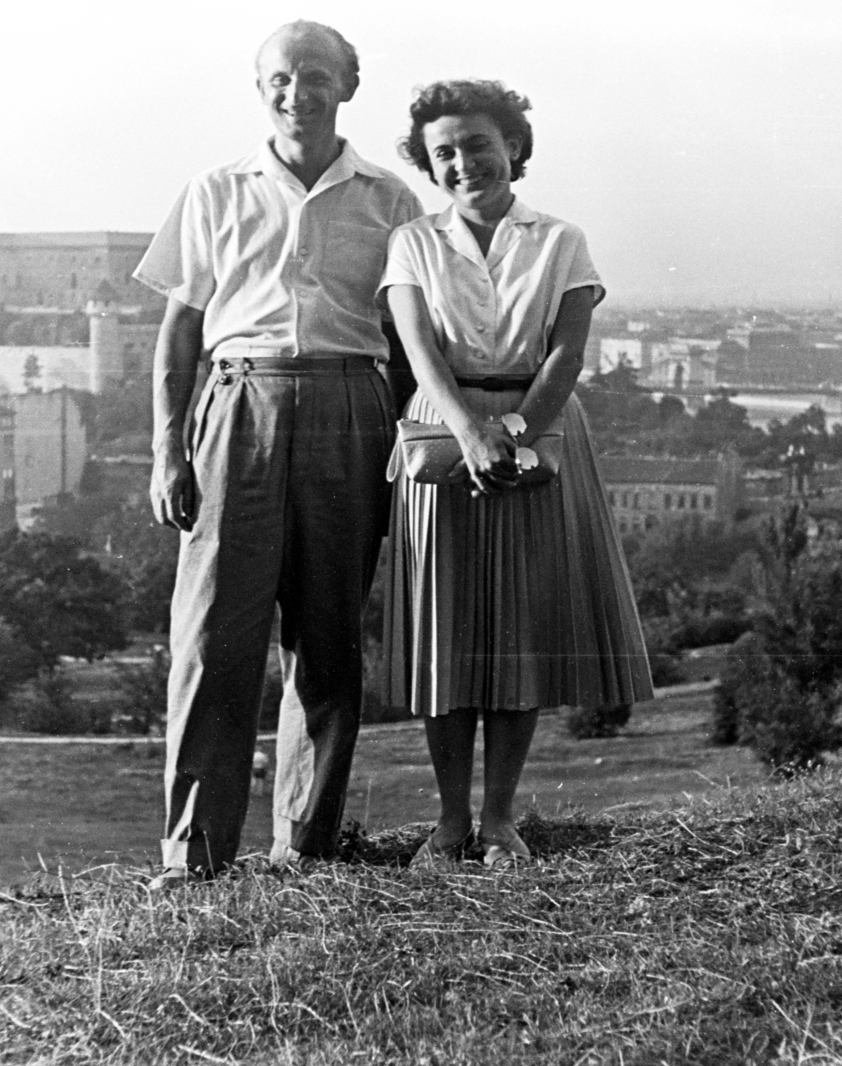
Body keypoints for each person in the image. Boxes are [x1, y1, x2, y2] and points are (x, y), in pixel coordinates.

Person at [136, 21, 424, 882]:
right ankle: (195, 854)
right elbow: (179, 330)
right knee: (213, 635)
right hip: (239, 405)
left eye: (315, 78)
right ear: (259, 86)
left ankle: (306, 842)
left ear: (348, 87)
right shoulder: (216, 189)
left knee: (328, 635)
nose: (296, 94)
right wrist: (167, 449)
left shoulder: (390, 198)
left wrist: (408, 436)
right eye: (280, 78)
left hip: (351, 405)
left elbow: (410, 336)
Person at [379, 80, 653, 868]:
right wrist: (469, 432)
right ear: (429, 166)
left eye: (478, 145)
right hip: (442, 433)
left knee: (520, 634)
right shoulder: (414, 243)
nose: (465, 163)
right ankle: (449, 822)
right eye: (445, 153)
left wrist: (517, 431)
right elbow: (419, 350)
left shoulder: (561, 238)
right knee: (447, 633)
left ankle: (500, 820)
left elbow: (568, 351)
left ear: (513, 148)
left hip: (541, 433)